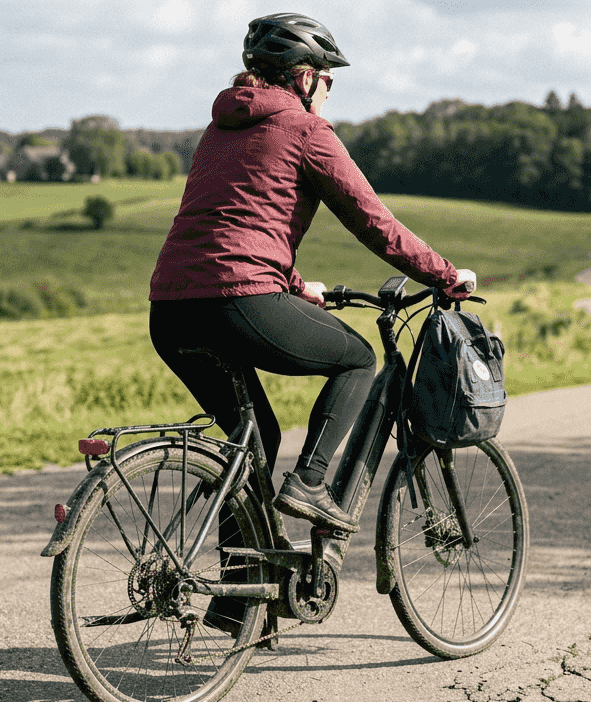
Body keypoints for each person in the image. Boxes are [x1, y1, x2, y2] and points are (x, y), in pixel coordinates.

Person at [148, 13, 475, 537]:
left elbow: (232, 224)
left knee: (252, 444)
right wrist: (443, 273)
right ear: (304, 76)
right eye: (328, 77)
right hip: (238, 302)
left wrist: (298, 288)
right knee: (357, 360)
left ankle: (241, 600)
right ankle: (310, 483)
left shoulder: (219, 130)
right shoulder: (306, 130)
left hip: (170, 310)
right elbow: (373, 221)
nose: (329, 89)